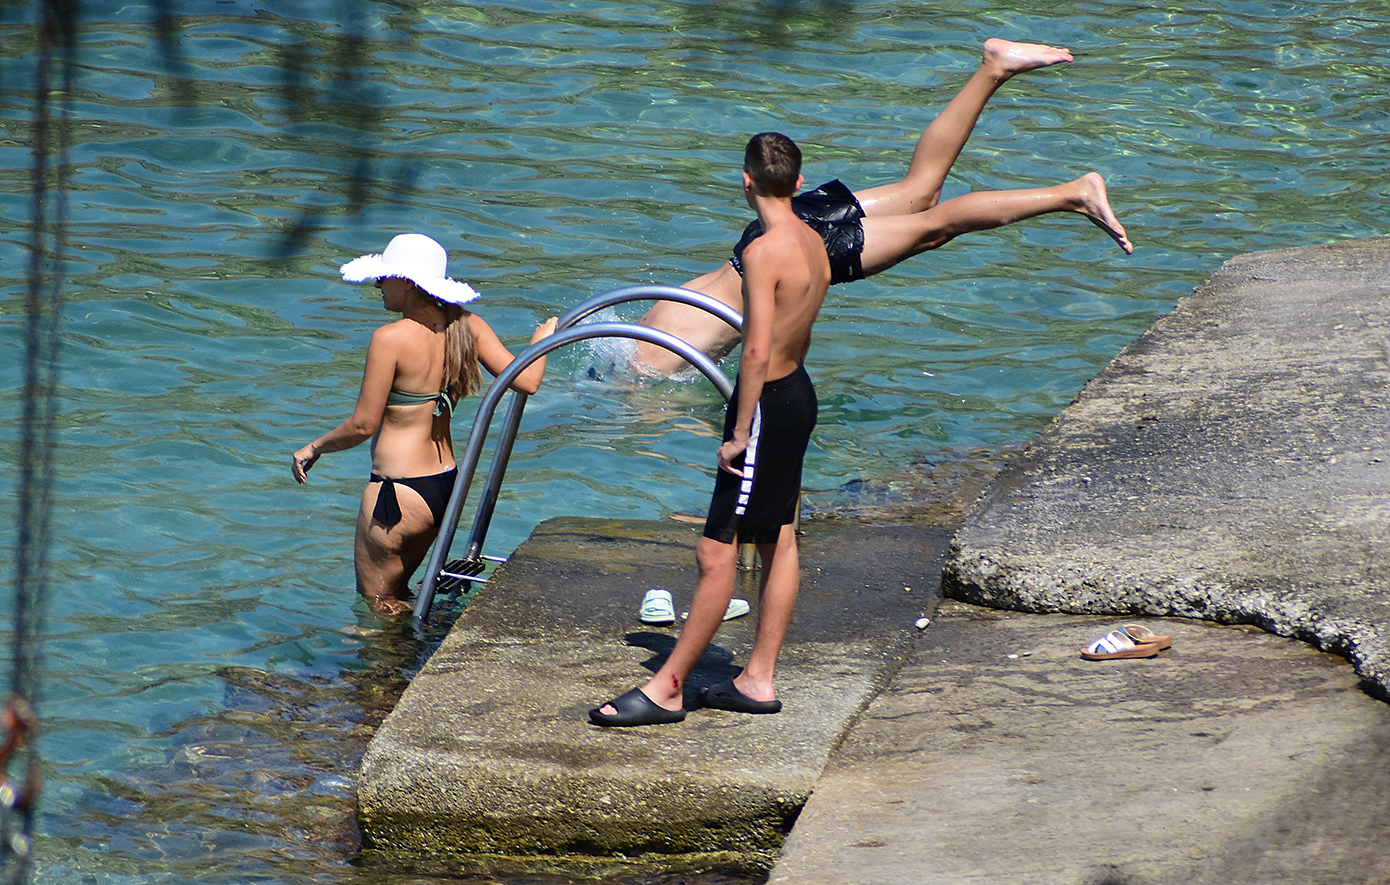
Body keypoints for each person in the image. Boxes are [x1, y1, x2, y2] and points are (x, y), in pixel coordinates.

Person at [631, 38, 1133, 377]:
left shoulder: (649, 366)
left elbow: (676, 415)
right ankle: (993, 67)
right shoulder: (648, 321)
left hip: (788, 255)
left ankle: (1072, 193)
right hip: (769, 227)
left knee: (937, 224)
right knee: (922, 191)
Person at [590, 132, 831, 726]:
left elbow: (754, 351)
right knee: (779, 538)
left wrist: (740, 429)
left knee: (715, 550)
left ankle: (668, 687)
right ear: (799, 184)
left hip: (769, 402)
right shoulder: (816, 241)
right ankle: (756, 678)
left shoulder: (762, 250)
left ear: (745, 182)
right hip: (799, 394)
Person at [292, 233, 558, 616]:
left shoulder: (390, 338)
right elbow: (527, 382)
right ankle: (411, 661)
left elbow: (363, 425)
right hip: (441, 488)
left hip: (396, 494)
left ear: (410, 283)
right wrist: (538, 344)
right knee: (401, 596)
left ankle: (380, 676)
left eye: (386, 277)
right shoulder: (468, 327)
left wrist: (314, 447)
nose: (378, 284)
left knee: (376, 605)